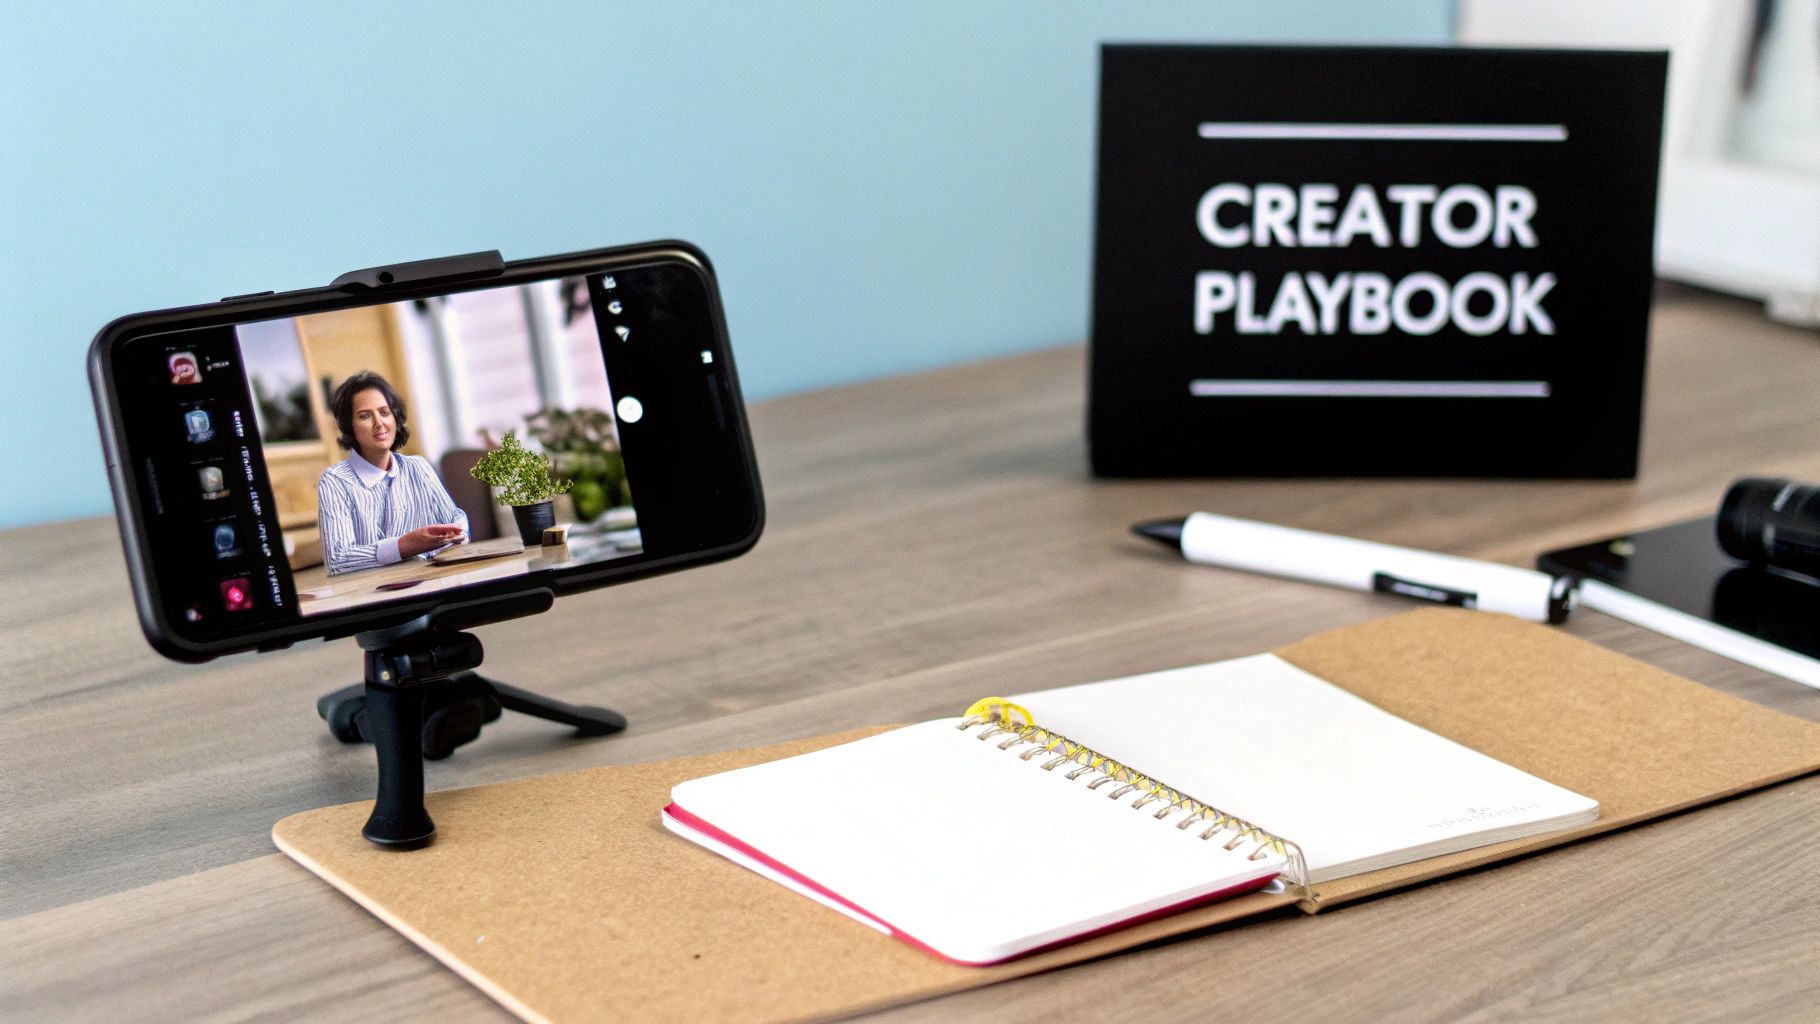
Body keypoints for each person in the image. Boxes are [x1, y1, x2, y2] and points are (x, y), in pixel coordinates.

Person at [317, 370, 469, 575]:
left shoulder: (418, 467)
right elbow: (338, 560)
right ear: (349, 427)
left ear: (395, 417)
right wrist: (405, 545)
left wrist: (458, 532)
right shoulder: (334, 481)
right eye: (364, 416)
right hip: (372, 596)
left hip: (432, 582)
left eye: (384, 412)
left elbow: (455, 518)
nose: (379, 423)